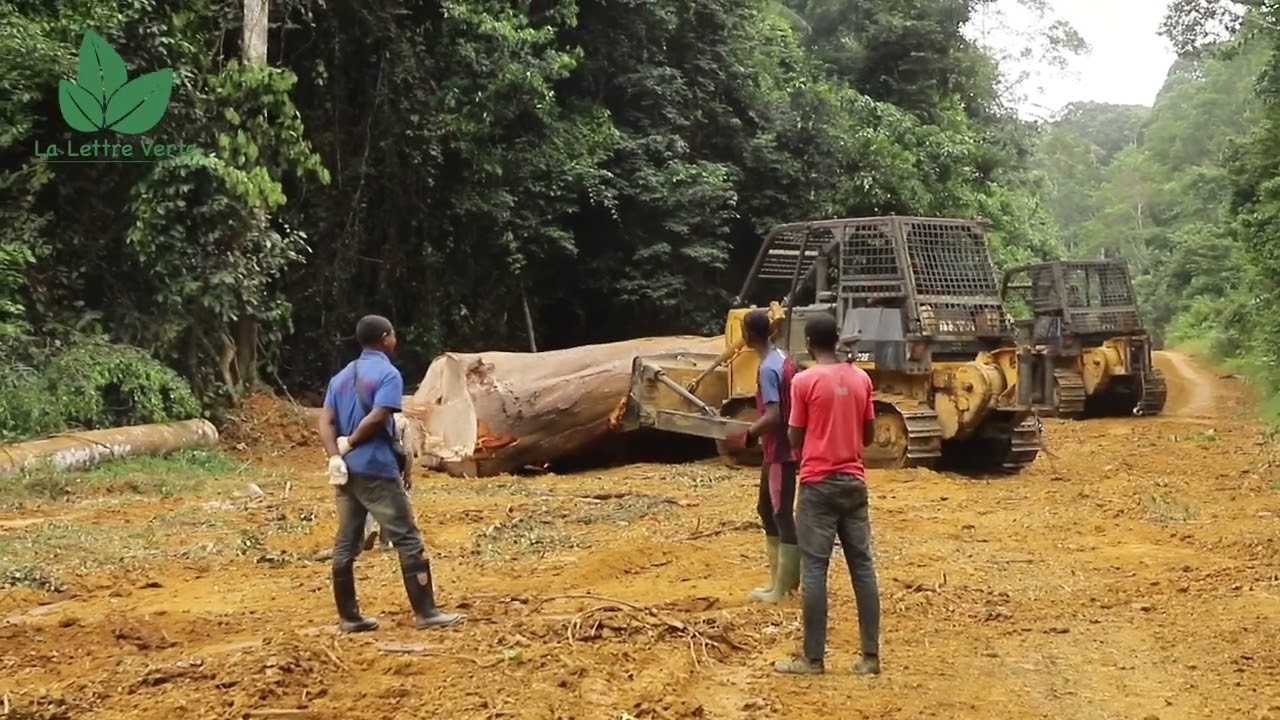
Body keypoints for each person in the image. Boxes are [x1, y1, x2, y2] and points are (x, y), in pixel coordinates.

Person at [318, 314, 462, 632]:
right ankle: (426, 612)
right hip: (375, 467)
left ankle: (349, 617)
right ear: (385, 338)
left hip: (346, 471)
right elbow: (379, 415)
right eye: (393, 335)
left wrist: (335, 456)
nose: (395, 340)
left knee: (346, 542)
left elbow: (325, 420)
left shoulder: (340, 377)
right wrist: (352, 441)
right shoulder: (387, 373)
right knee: (407, 538)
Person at [773, 312, 881, 676]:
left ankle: (813, 658)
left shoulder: (803, 381)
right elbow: (868, 435)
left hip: (817, 484)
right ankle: (870, 657)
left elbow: (795, 436)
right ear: (837, 340)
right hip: (854, 482)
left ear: (808, 343)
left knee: (815, 569)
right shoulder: (861, 378)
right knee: (862, 567)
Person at [724, 309, 799, 603]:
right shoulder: (782, 357)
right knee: (767, 510)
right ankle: (778, 581)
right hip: (778, 448)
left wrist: (747, 435)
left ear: (748, 334)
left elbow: (773, 415)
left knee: (781, 513)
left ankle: (785, 588)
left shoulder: (768, 369)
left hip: (780, 449)